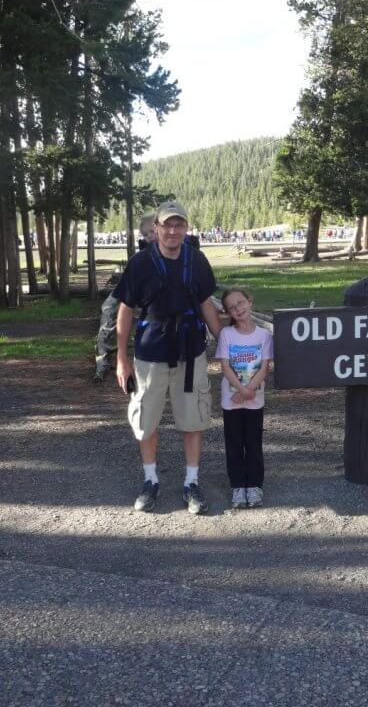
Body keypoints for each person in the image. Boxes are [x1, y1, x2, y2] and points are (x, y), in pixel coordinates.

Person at [115, 201, 221, 515]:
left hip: (191, 354)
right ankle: (150, 480)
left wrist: (227, 343)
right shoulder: (140, 263)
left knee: (193, 420)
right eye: (167, 225)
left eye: (179, 225)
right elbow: (125, 310)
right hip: (150, 356)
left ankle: (191, 482)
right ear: (157, 228)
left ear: (186, 229)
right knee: (146, 420)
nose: (173, 231)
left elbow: (206, 305)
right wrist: (121, 359)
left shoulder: (197, 261)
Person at [216, 288, 273, 509]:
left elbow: (265, 367)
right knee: (234, 444)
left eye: (240, 303)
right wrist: (240, 389)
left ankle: (255, 485)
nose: (238, 308)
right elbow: (225, 366)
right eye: (232, 307)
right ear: (227, 312)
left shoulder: (264, 335)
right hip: (232, 401)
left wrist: (249, 390)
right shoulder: (227, 335)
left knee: (253, 443)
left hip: (254, 400)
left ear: (249, 302)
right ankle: (238, 486)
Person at [93, 213, 157, 382]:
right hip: (132, 289)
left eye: (152, 231)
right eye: (145, 234)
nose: (150, 236)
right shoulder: (142, 254)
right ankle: (103, 357)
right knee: (108, 308)